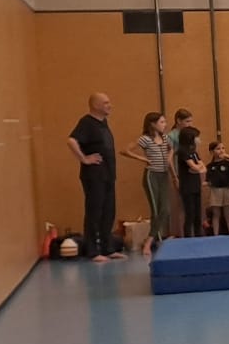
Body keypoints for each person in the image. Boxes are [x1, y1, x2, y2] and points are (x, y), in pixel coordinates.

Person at [66, 92, 122, 262]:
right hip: (94, 176)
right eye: (106, 103)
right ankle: (92, 250)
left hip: (108, 175)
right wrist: (84, 159)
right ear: (96, 105)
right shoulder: (86, 123)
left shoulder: (103, 123)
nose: (110, 105)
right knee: (94, 212)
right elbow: (71, 140)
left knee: (108, 211)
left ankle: (107, 248)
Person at [123, 110, 172, 254]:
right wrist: (143, 159)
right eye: (161, 122)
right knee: (156, 210)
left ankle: (152, 239)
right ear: (153, 124)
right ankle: (151, 242)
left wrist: (169, 158)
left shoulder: (165, 138)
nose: (165, 124)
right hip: (152, 176)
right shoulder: (145, 139)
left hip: (164, 175)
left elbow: (172, 149)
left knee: (165, 209)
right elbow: (125, 150)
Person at [173, 125, 204, 235]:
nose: (198, 139)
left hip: (196, 185)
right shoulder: (183, 151)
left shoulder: (194, 152)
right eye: (197, 137)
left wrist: (197, 168)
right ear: (190, 138)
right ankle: (188, 237)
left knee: (198, 215)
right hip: (187, 187)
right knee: (190, 214)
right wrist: (197, 168)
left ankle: (198, 236)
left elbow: (203, 167)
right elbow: (194, 167)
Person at [204, 141, 229, 235]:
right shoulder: (210, 166)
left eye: (223, 148)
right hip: (215, 191)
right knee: (216, 214)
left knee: (228, 213)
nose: (221, 151)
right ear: (212, 152)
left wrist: (228, 185)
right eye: (218, 149)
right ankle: (216, 234)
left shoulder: (228, 164)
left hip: (227, 190)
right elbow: (208, 180)